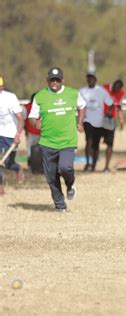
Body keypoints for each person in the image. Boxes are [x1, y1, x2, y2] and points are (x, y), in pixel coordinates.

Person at [28, 67, 86, 211]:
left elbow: (82, 106)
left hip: (67, 140)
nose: (55, 82)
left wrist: (80, 122)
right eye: (52, 80)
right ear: (47, 80)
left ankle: (70, 183)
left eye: (57, 79)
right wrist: (36, 123)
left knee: (65, 167)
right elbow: (31, 117)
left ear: (62, 80)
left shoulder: (72, 93)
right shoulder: (40, 96)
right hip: (47, 142)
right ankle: (60, 205)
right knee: (51, 176)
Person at [79, 71, 113, 172]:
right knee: (88, 141)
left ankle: (93, 164)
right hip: (87, 120)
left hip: (99, 122)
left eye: (92, 78)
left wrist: (108, 113)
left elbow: (110, 103)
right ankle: (88, 163)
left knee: (96, 144)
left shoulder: (101, 91)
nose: (90, 80)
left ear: (95, 80)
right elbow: (77, 104)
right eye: (89, 78)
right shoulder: (82, 91)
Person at [0, 76, 24, 195]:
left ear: (2, 87)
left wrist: (18, 134)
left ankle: (18, 168)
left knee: (8, 163)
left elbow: (20, 119)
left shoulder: (10, 98)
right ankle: (0, 188)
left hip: (10, 134)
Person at [103, 79, 125, 172]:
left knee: (110, 144)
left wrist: (121, 119)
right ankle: (91, 164)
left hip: (110, 120)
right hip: (99, 118)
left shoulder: (121, 93)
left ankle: (106, 166)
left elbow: (119, 107)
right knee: (93, 143)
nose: (116, 89)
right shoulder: (105, 88)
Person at [24, 93, 42, 173]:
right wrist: (25, 130)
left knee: (40, 150)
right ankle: (31, 166)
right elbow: (24, 119)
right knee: (30, 150)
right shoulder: (26, 107)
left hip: (42, 133)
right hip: (31, 132)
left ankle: (39, 166)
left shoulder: (42, 106)